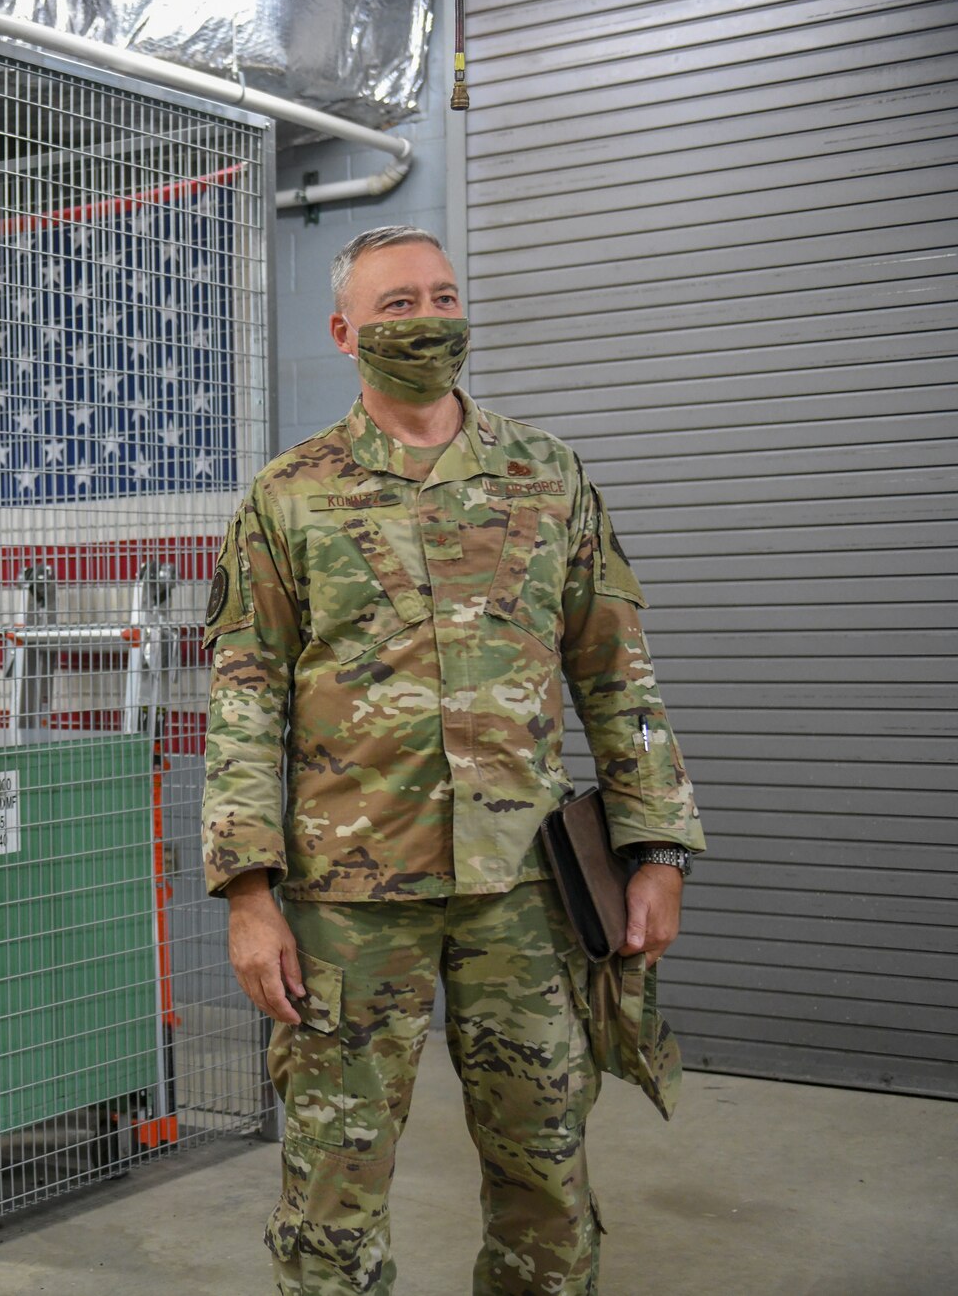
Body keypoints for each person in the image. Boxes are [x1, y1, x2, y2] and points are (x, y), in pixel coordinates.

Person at [202, 225, 705, 1295]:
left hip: (523, 891)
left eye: (439, 297)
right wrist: (248, 891)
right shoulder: (288, 497)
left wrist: (654, 847)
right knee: (329, 1200)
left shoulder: (546, 476)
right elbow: (244, 699)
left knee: (546, 1180)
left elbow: (616, 675)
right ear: (343, 333)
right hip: (347, 904)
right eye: (394, 306)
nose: (425, 320)